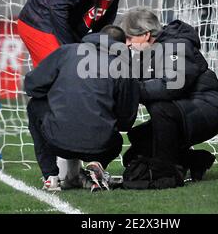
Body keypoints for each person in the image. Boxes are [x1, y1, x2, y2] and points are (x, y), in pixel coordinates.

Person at [116, 7, 218, 183]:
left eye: (129, 38)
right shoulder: (151, 51)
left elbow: (172, 85)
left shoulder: (176, 46)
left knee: (160, 107)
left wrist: (133, 90)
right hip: (186, 108)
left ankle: (165, 171)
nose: (127, 44)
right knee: (136, 148)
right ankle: (196, 160)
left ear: (145, 35)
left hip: (207, 110)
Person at [24, 25, 139, 192]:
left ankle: (51, 176)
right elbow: (126, 121)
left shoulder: (67, 51)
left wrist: (57, 95)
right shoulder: (124, 68)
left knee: (35, 105)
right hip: (102, 147)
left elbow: (32, 86)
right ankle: (97, 164)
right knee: (115, 138)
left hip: (56, 141)